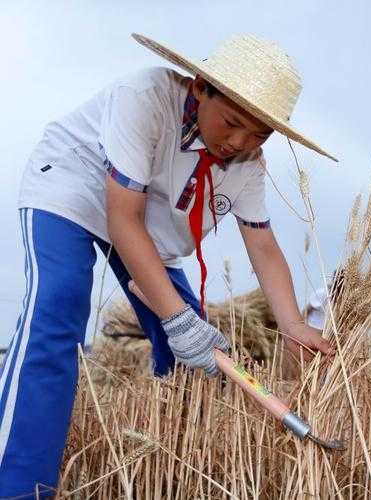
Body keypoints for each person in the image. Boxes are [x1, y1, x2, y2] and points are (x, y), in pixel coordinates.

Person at [0, 33, 337, 497]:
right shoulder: (145, 98)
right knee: (57, 310)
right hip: (76, 185)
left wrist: (293, 323)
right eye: (232, 123)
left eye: (259, 134)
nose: (238, 143)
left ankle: (178, 478)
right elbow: (122, 217)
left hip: (148, 219)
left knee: (194, 356)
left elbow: (262, 245)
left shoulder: (247, 164)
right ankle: (18, 486)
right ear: (201, 87)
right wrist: (175, 315)